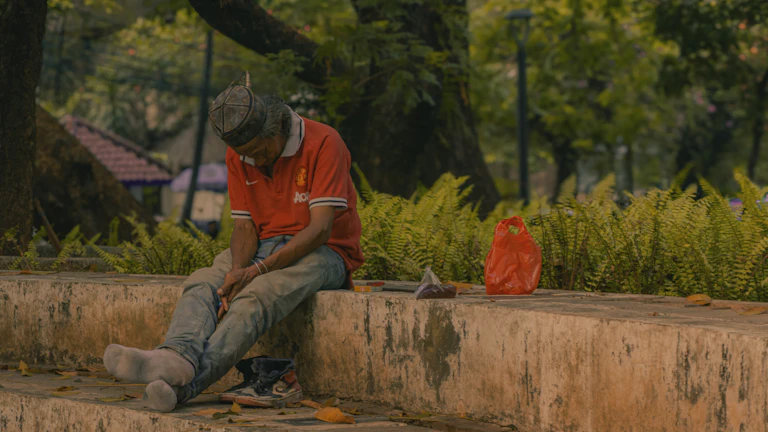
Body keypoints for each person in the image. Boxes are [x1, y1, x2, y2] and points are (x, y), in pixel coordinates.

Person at [102, 75, 364, 412]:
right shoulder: (239, 156)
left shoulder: (325, 141)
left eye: (258, 152)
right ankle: (175, 356)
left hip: (326, 252)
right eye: (245, 155)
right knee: (203, 282)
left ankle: (184, 387)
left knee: (256, 297)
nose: (253, 161)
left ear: (275, 130)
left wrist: (256, 272)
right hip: (265, 244)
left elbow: (321, 229)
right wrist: (238, 271)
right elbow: (244, 226)